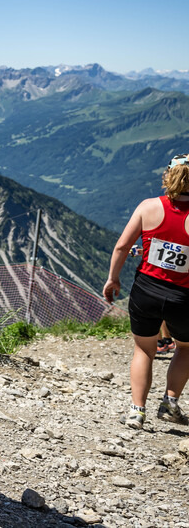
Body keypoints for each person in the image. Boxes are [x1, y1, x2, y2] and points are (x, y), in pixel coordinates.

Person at [103, 153, 189, 430]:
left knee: (143, 349)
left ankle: (136, 412)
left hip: (146, 291)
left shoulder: (148, 206)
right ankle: (170, 403)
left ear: (168, 176)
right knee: (186, 348)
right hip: (183, 297)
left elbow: (121, 246)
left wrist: (113, 279)